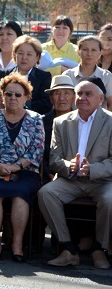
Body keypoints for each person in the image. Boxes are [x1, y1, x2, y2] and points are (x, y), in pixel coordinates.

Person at [39, 77, 112, 269]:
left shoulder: (110, 122)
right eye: (79, 93)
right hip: (70, 179)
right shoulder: (61, 122)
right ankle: (68, 248)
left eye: (88, 94)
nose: (83, 98)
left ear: (100, 98)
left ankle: (99, 248)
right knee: (46, 193)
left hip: (101, 181)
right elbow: (54, 158)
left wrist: (93, 169)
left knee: (110, 199)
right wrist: (68, 166)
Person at [0, 72, 45, 262]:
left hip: (24, 172)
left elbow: (36, 150)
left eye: (17, 94)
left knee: (20, 194)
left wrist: (15, 167)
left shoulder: (35, 119)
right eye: (8, 94)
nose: (12, 98)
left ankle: (17, 244)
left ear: (26, 97)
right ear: (3, 95)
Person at [0, 35, 52, 114]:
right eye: (20, 53)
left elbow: (45, 104)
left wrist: (20, 105)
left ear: (37, 57)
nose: (24, 57)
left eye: (29, 54)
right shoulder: (4, 74)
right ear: (14, 55)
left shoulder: (44, 77)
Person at [61, 35, 112, 109]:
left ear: (100, 53)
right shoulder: (68, 75)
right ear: (78, 51)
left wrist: (105, 120)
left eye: (93, 50)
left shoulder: (106, 76)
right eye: (85, 49)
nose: (89, 54)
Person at [41, 75, 77, 173]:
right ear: (51, 98)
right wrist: (49, 173)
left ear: (74, 97)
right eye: (57, 93)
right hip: (47, 172)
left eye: (66, 93)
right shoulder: (41, 122)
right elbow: (41, 153)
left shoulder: (81, 121)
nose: (62, 98)